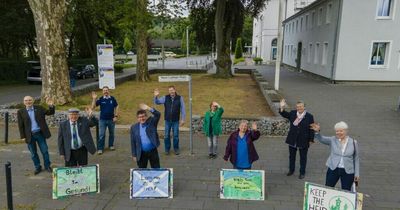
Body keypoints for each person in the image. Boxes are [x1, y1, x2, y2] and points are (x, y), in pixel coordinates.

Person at [310, 122, 360, 191]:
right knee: (328, 188)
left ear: (346, 131)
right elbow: (321, 139)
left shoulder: (354, 142)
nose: (338, 133)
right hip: (333, 169)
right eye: (337, 131)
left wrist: (357, 173)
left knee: (346, 191)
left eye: (341, 131)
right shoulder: (332, 140)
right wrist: (317, 132)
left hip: (348, 171)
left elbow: (356, 158)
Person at [17, 96, 55, 175]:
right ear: (24, 102)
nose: (28, 102)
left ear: (33, 101)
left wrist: (51, 105)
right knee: (33, 153)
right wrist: (23, 136)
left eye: (30, 100)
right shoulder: (21, 111)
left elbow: (50, 112)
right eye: (26, 100)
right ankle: (38, 167)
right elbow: (20, 125)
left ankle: (47, 166)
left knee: (44, 151)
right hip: (29, 135)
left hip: (40, 134)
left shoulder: (39, 108)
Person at [279, 99, 315, 179]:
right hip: (292, 139)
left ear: (304, 107)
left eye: (301, 106)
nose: (299, 108)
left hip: (304, 139)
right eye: (298, 107)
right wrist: (282, 107)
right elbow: (284, 114)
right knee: (291, 156)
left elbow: (311, 128)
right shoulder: (292, 113)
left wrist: (311, 139)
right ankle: (291, 170)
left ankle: (302, 172)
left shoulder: (309, 116)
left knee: (303, 157)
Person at [154, 86, 186, 155]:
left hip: (176, 121)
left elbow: (183, 109)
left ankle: (176, 149)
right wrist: (156, 96)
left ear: (175, 90)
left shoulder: (180, 98)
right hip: (167, 121)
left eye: (172, 90)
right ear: (168, 91)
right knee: (166, 135)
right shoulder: (165, 97)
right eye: (169, 90)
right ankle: (167, 149)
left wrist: (183, 119)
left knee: (176, 135)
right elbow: (157, 102)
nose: (171, 91)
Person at [130, 104, 161, 168]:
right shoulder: (134, 127)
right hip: (141, 153)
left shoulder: (152, 123)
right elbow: (132, 142)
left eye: (143, 116)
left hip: (153, 151)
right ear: (137, 118)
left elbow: (158, 114)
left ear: (146, 117)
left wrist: (148, 108)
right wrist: (134, 155)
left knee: (156, 169)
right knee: (142, 171)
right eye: (140, 117)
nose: (142, 118)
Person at [91, 86, 119, 154]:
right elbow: (93, 107)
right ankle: (100, 148)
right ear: (102, 92)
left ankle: (111, 145)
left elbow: (117, 106)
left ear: (108, 91)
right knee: (101, 135)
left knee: (112, 133)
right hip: (102, 120)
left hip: (111, 120)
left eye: (106, 90)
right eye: (104, 90)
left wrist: (116, 116)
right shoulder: (101, 99)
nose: (105, 91)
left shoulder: (112, 98)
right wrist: (94, 99)